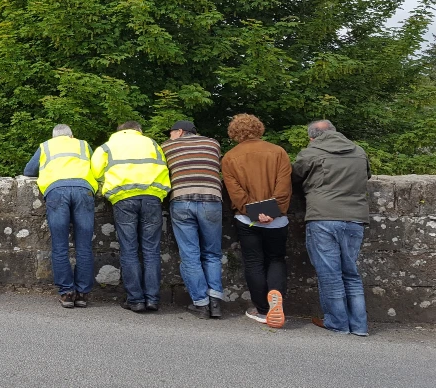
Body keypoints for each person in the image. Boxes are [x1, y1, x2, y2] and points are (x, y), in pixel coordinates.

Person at [292, 120, 371, 336]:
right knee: (351, 272)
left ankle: (337, 322)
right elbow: (367, 176)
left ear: (311, 137)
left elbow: (295, 177)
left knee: (330, 273)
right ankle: (359, 325)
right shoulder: (359, 150)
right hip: (355, 216)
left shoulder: (311, 151)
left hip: (323, 215)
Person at [91, 121, 170, 313]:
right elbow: (164, 166)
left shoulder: (108, 146)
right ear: (139, 131)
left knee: (129, 250)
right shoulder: (152, 144)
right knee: (151, 250)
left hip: (123, 198)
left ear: (120, 131)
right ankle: (152, 299)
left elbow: (95, 171)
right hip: (152, 197)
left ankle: (135, 300)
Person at [221, 113, 291, 329]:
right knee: (276, 259)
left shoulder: (230, 157)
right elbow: (283, 185)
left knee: (253, 262)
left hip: (247, 219)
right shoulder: (278, 152)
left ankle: (262, 310)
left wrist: (254, 211)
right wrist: (272, 210)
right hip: (277, 219)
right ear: (259, 129)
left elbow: (235, 192)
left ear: (234, 133)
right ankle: (276, 299)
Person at [23, 124, 96, 309]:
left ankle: (66, 293)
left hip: (56, 191)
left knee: (60, 245)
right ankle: (82, 293)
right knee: (84, 246)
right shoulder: (83, 144)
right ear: (71, 136)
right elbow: (96, 168)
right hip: (83, 190)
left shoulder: (46, 146)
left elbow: (29, 171)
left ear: (54, 136)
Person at [161, 120, 225, 319]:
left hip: (181, 199)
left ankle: (201, 304)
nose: (170, 135)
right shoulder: (213, 143)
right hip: (211, 199)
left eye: (171, 132)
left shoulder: (166, 146)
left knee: (190, 254)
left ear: (180, 132)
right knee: (212, 254)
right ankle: (215, 303)